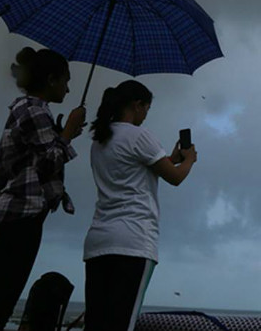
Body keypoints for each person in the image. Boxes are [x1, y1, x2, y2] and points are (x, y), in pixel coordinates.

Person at [0, 47, 86, 331]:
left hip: (19, 216)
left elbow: (6, 170)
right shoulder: (32, 110)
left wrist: (62, 135)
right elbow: (48, 162)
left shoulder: (29, 110)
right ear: (52, 79)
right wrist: (67, 133)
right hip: (21, 218)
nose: (69, 89)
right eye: (66, 81)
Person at [83, 80, 196, 331]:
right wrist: (188, 161)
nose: (145, 116)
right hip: (133, 241)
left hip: (98, 242)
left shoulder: (100, 140)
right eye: (146, 109)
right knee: (121, 324)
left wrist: (171, 159)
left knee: (97, 324)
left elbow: (133, 170)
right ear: (137, 105)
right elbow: (175, 177)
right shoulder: (140, 136)